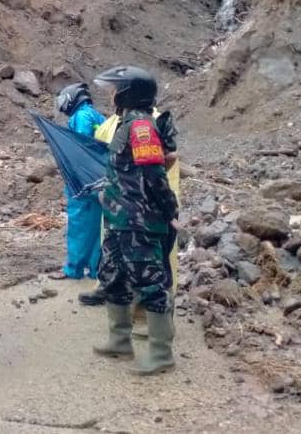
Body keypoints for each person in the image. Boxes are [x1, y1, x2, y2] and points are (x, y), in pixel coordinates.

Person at [91, 65, 179, 376]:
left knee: (149, 283)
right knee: (112, 275)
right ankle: (120, 340)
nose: (112, 94)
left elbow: (154, 173)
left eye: (116, 89)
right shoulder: (125, 124)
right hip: (118, 218)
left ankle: (161, 353)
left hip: (138, 219)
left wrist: (169, 210)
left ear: (129, 93)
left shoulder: (141, 126)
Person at [51, 83, 106, 281]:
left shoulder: (81, 117)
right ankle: (95, 269)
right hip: (99, 179)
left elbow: (79, 148)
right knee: (95, 229)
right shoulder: (97, 116)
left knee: (79, 227)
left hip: (82, 183)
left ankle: (73, 269)